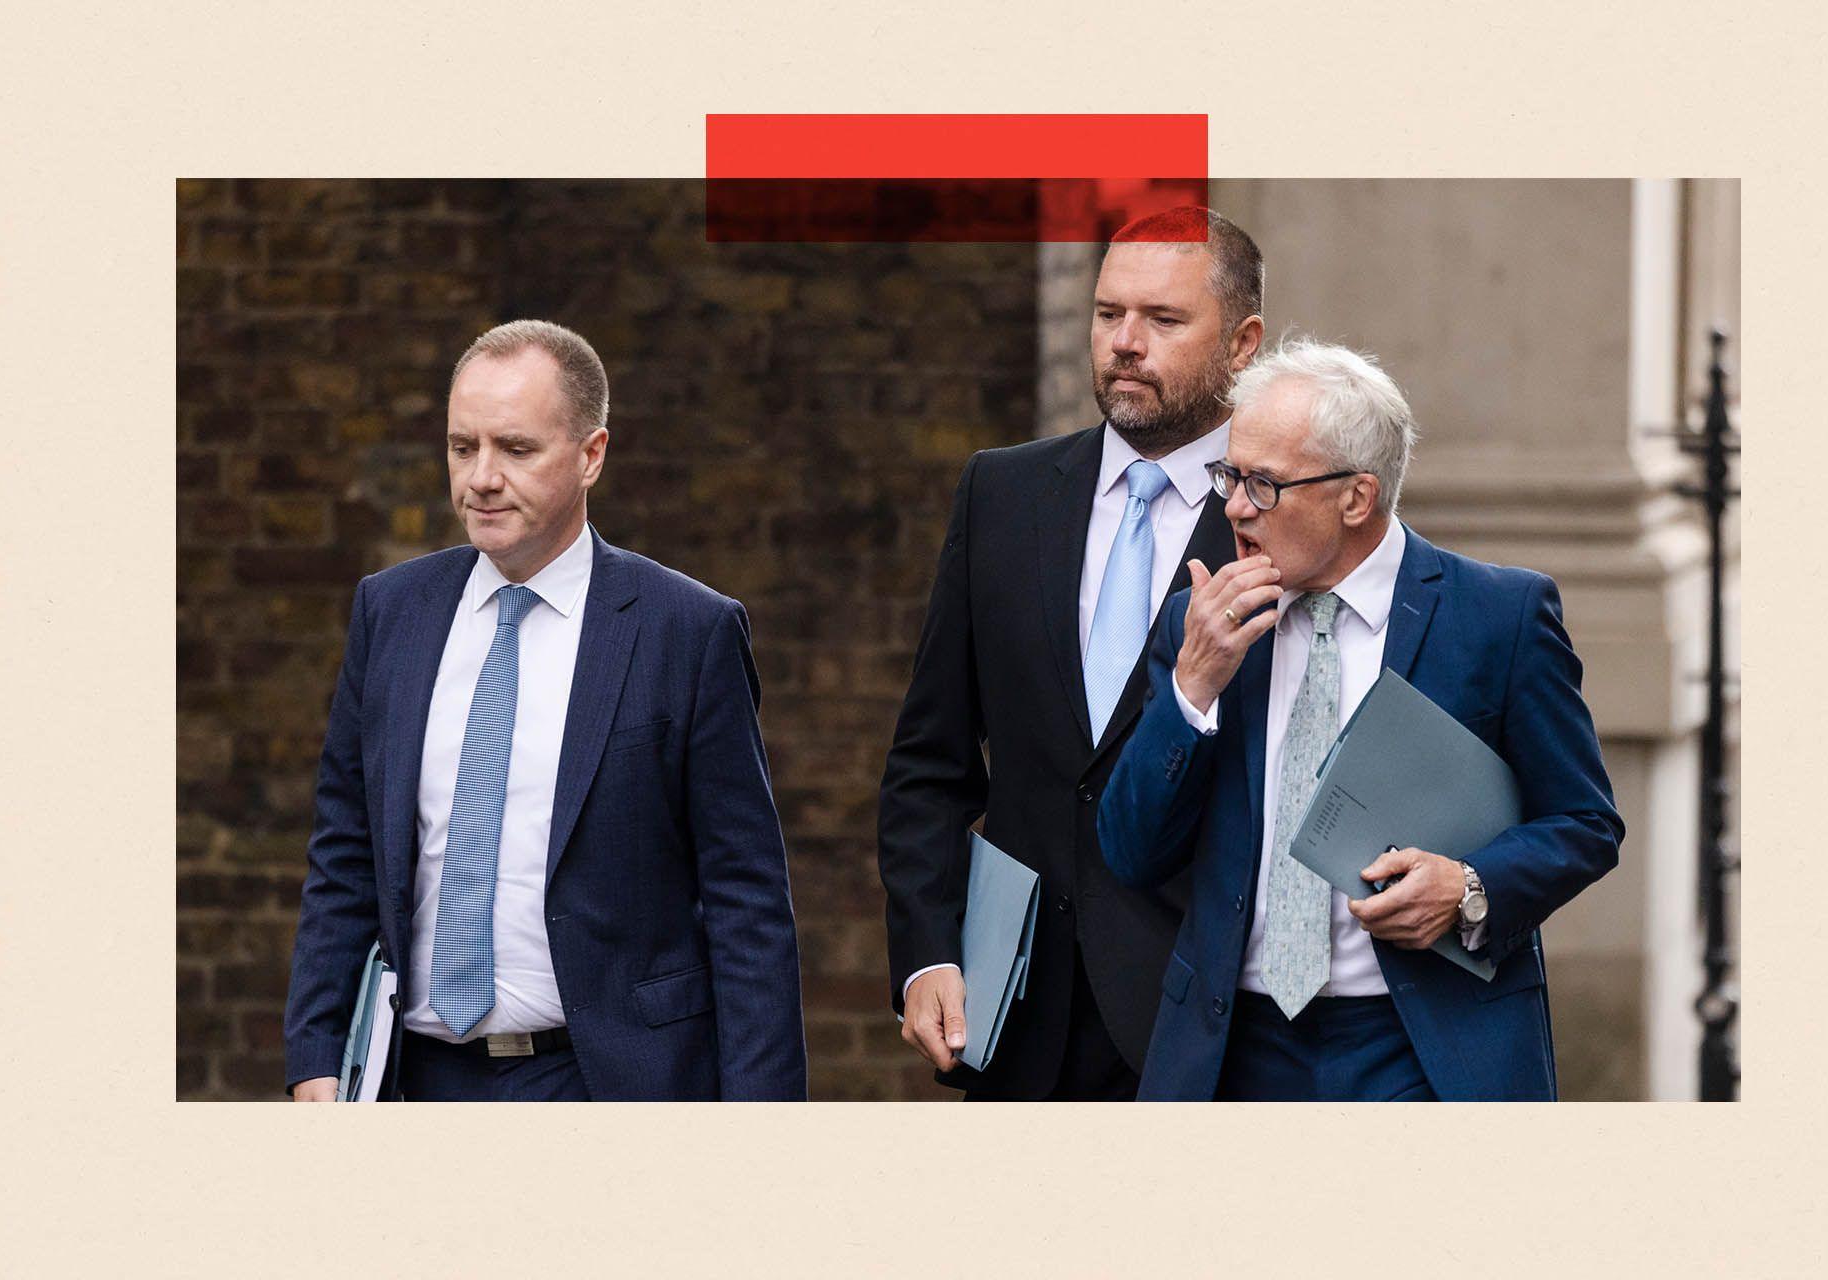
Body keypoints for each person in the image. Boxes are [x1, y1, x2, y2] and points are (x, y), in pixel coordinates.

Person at [283, 320, 805, 1101]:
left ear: (592, 455)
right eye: (463, 447)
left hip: (610, 1082)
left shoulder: (686, 630)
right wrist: (316, 1053)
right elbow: (346, 853)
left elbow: (746, 899)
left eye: (516, 449)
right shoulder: (392, 613)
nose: (482, 478)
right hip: (412, 1079)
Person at [1098, 337, 1623, 1101]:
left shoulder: (1497, 616)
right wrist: (1193, 688)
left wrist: (1469, 887)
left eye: (1263, 485)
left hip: (1422, 1047)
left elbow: (1585, 823)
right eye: (1229, 476)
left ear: (1356, 498)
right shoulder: (1199, 623)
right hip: (1231, 1049)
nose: (1233, 506)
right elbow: (1131, 852)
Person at [879, 208, 1264, 1099]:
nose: (1125, 341)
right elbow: (929, 764)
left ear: (1242, 345)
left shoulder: (1279, 514)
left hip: (1204, 1027)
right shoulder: (1000, 493)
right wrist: (927, 953)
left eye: (1162, 319)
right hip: (1016, 1017)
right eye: (1107, 313)